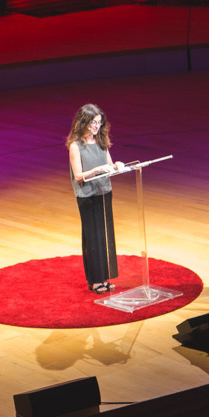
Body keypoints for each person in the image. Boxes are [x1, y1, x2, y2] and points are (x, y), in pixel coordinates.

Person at [67, 104, 124, 294]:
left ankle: (103, 277)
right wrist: (98, 170)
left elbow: (109, 164)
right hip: (87, 196)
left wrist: (117, 165)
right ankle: (94, 280)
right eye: (93, 123)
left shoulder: (101, 141)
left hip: (104, 192)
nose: (96, 127)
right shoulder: (76, 146)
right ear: (83, 122)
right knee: (92, 237)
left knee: (103, 236)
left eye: (99, 123)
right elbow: (78, 176)